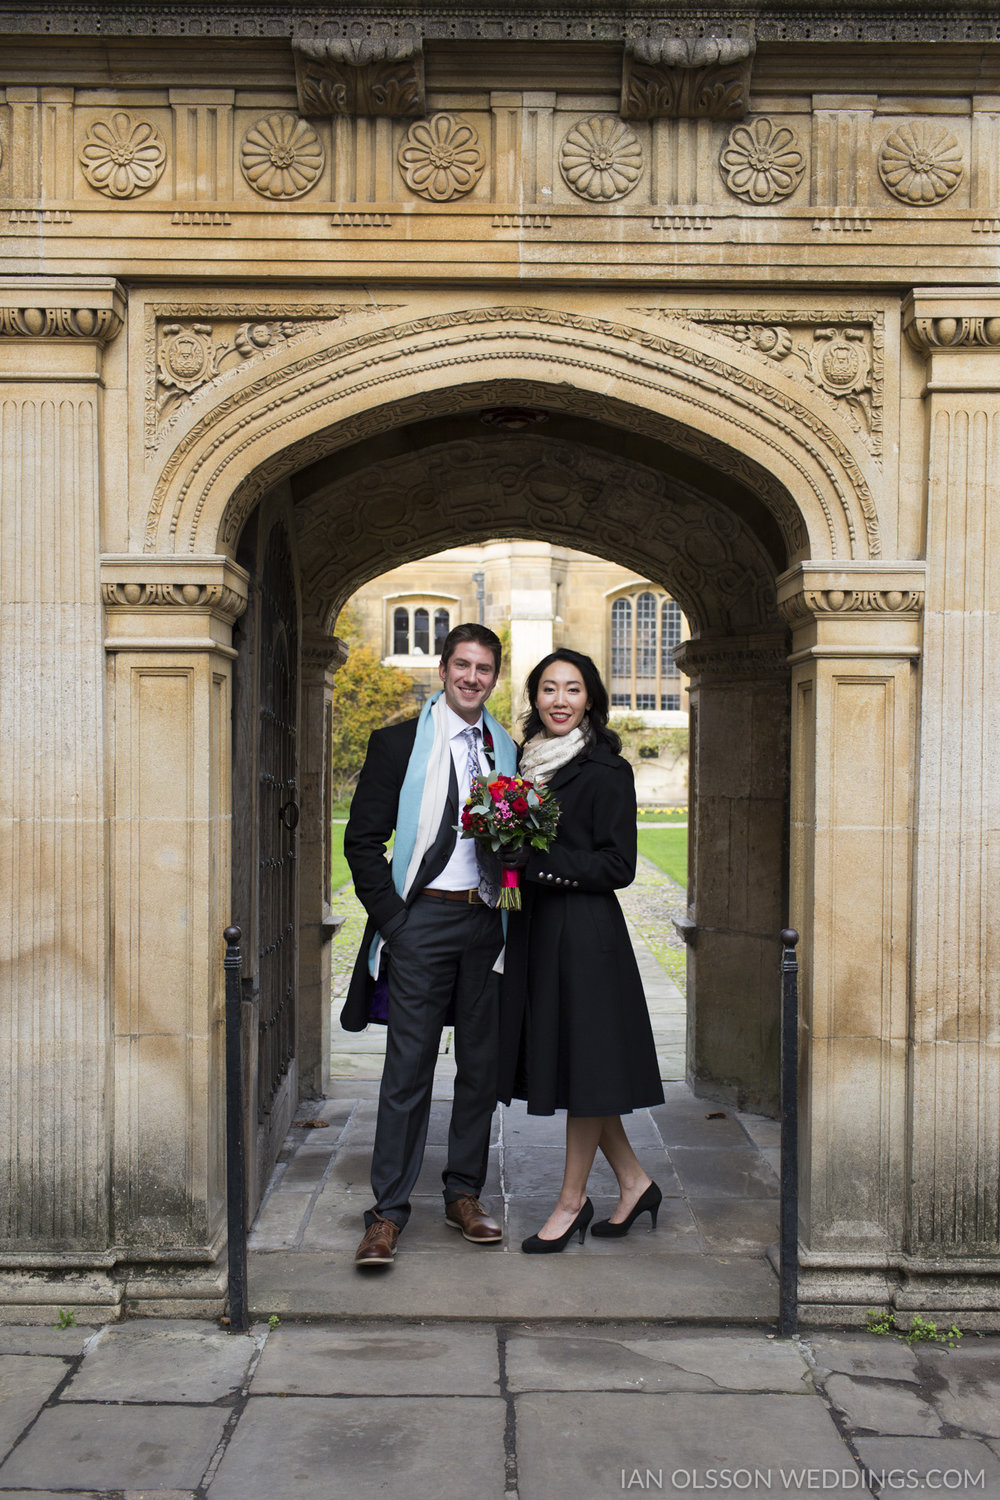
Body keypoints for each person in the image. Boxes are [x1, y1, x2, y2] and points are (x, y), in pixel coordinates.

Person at [341, 623, 517, 1268]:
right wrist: (395, 921)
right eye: (463, 666)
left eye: (485, 669)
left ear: (493, 677)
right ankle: (386, 1214)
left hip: (485, 926)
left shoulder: (507, 749)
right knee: (407, 1072)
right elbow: (362, 841)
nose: (473, 678)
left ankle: (463, 1195)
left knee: (479, 1071)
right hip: (422, 923)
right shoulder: (397, 744)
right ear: (443, 670)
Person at [497, 649, 665, 1252]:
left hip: (587, 935)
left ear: (590, 698)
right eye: (548, 689)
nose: (560, 700)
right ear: (535, 698)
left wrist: (538, 862)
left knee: (587, 1069)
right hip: (538, 931)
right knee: (581, 1067)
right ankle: (635, 1182)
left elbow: (618, 866)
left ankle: (571, 1203)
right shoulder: (522, 764)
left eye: (572, 689)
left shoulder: (605, 769)